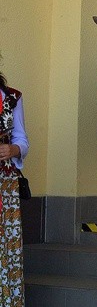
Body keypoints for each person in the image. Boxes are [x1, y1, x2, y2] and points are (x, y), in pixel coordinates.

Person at [0, 62, 29, 307]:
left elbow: (21, 137)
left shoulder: (11, 97)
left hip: (5, 182)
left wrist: (14, 149)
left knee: (6, 244)